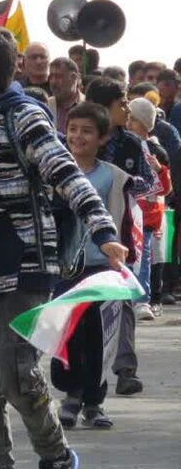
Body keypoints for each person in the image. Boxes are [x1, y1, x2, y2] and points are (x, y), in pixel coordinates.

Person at [0, 23, 125, 469]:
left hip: (27, 268)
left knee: (18, 378)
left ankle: (56, 455)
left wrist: (104, 232)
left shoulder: (25, 116)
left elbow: (68, 175)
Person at [53, 103, 134, 430]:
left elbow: (126, 222)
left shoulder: (113, 177)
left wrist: (124, 262)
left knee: (98, 336)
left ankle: (94, 401)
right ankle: (71, 394)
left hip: (101, 267)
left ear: (102, 138)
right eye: (73, 129)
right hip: (64, 269)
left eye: (87, 131)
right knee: (68, 332)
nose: (77, 136)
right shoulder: (54, 172)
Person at [85, 77, 154, 396]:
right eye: (121, 103)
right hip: (82, 240)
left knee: (123, 299)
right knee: (86, 306)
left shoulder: (132, 143)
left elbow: (152, 185)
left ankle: (125, 369)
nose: (127, 109)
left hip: (122, 232)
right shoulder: (79, 139)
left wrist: (125, 182)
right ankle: (83, 380)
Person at [126, 97, 171, 320]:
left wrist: (159, 169)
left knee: (143, 258)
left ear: (145, 123)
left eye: (133, 119)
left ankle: (142, 299)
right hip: (128, 211)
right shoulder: (123, 144)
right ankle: (130, 297)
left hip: (148, 216)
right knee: (132, 256)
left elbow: (165, 188)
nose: (128, 123)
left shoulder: (156, 151)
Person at [49, 58, 83, 135]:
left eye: (58, 76)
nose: (53, 81)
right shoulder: (46, 105)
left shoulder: (88, 104)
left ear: (74, 77)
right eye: (51, 76)